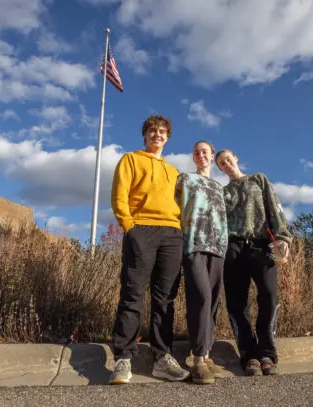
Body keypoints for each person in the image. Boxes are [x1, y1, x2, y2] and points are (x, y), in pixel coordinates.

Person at [108, 114, 190, 385]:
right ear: (145, 135)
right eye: (153, 131)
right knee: (132, 293)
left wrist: (180, 229)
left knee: (165, 299)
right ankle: (123, 358)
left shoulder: (174, 171)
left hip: (172, 234)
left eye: (163, 131)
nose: (157, 135)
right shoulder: (131, 159)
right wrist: (130, 227)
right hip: (141, 229)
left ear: (168, 137)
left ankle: (162, 358)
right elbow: (119, 195)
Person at [215, 148, 292, 376]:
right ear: (219, 168)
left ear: (236, 158)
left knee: (269, 295)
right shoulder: (222, 192)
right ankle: (249, 355)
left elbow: (274, 208)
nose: (226, 164)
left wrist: (282, 238)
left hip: (260, 245)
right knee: (237, 304)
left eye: (228, 159)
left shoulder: (259, 179)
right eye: (221, 163)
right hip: (233, 248)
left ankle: (267, 352)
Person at [174, 140, 228, 385]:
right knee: (201, 297)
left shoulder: (219, 187)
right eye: (196, 152)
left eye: (205, 151)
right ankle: (197, 360)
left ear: (212, 155)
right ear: (193, 157)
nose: (201, 155)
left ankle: (207, 354)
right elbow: (173, 208)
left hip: (218, 248)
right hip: (194, 243)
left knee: (213, 301)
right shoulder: (185, 179)